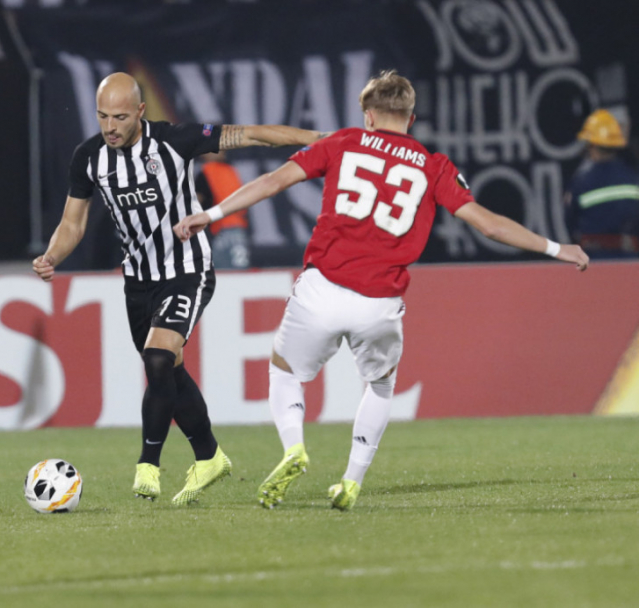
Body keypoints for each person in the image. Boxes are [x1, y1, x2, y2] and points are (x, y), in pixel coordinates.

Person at [174, 70, 589, 510]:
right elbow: (488, 225)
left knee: (285, 372)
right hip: (380, 302)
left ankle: (294, 447)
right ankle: (351, 481)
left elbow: (273, 181)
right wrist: (556, 248)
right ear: (411, 119)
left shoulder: (344, 142)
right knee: (380, 386)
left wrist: (211, 214)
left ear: (368, 115)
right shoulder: (433, 166)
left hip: (322, 288)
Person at [32, 72, 326, 505]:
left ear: (140, 111)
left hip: (188, 269)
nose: (110, 127)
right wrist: (52, 256)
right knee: (166, 371)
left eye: (119, 117)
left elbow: (251, 134)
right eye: (102, 116)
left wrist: (321, 138)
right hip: (138, 281)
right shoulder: (89, 157)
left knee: (157, 357)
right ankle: (209, 456)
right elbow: (72, 223)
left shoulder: (173, 140)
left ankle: (148, 466)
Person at [564, 109, 639, 259]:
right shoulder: (633, 179)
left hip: (594, 260)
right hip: (630, 259)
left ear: (591, 145)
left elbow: (570, 222)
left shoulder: (581, 182)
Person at [195, 151, 251, 269]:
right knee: (238, 268)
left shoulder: (212, 171)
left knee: (221, 269)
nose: (221, 152)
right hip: (231, 227)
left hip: (223, 228)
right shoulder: (227, 170)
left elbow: (196, 203)